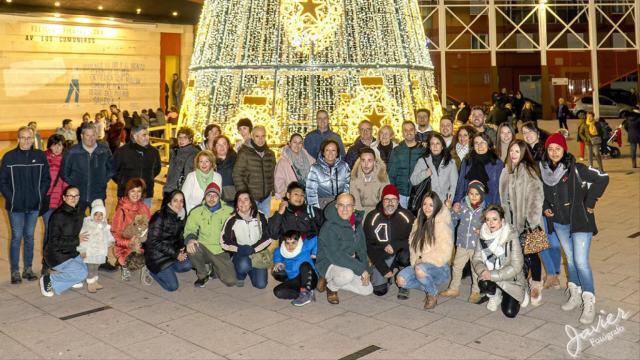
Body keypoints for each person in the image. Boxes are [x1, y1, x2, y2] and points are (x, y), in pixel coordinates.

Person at [540, 133, 609, 324]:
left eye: (558, 148)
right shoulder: (545, 172)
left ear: (564, 150)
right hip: (560, 223)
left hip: (580, 222)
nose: (554, 152)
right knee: (570, 259)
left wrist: (591, 200)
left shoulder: (576, 169)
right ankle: (575, 294)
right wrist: (546, 207)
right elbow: (546, 195)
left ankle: (589, 300)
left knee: (580, 261)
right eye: (551, 149)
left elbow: (603, 177)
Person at [0, 126, 51, 284]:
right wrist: (12, 197)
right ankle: (15, 271)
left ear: (33, 138)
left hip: (34, 205)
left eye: (29, 137)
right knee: (16, 237)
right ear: (18, 139)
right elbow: (2, 182)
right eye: (23, 137)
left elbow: (46, 179)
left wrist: (39, 195)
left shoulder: (40, 156)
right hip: (15, 207)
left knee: (29, 237)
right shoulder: (9, 157)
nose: (26, 140)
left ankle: (28, 269)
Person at [499, 140, 545, 306]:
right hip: (511, 222)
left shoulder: (529, 171)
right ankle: (519, 283)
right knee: (515, 255)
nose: (513, 154)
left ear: (524, 153)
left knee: (533, 255)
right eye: (512, 151)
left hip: (528, 223)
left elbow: (537, 198)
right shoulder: (506, 171)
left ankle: (536, 284)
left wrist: (531, 222)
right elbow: (503, 199)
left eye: (517, 151)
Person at [396, 191, 453, 309]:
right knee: (401, 280)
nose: (427, 208)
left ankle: (432, 293)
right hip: (419, 265)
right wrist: (416, 261)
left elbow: (445, 253)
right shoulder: (419, 221)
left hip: (439, 267)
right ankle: (428, 285)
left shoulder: (441, 224)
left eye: (431, 205)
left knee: (420, 270)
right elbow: (413, 247)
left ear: (436, 206)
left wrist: (423, 259)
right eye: (425, 204)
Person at [471, 205, 529, 318]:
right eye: (487, 219)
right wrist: (483, 271)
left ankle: (522, 290)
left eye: (494, 219)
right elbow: (476, 259)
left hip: (511, 279)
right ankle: (495, 295)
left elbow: (516, 266)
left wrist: (491, 275)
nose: (491, 223)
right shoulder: (483, 236)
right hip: (492, 277)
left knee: (509, 312)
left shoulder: (511, 236)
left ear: (502, 221)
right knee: (483, 282)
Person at [316, 193, 372, 304]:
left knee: (367, 290)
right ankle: (332, 287)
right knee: (347, 275)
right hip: (329, 263)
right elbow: (336, 256)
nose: (345, 209)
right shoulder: (329, 226)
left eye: (349, 205)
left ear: (354, 207)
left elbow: (362, 248)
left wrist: (366, 270)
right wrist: (360, 269)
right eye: (341, 205)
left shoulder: (356, 223)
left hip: (349, 262)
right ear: (336, 206)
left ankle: (331, 281)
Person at [363, 185, 414, 298]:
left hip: (402, 253)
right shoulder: (372, 217)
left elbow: (415, 239)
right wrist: (383, 268)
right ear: (382, 200)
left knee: (406, 256)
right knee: (379, 291)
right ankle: (388, 274)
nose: (390, 203)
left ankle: (404, 284)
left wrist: (397, 245)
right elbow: (369, 246)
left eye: (393, 199)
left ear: (398, 200)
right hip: (382, 256)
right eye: (387, 199)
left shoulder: (407, 216)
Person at [441, 181, 486, 303]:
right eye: (471, 193)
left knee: (475, 269)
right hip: (462, 243)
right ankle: (454, 288)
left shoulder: (484, 211)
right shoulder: (462, 206)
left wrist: (482, 230)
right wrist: (452, 209)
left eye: (477, 194)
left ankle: (476, 291)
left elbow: (488, 227)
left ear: (482, 195)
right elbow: (453, 220)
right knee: (457, 266)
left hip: (475, 246)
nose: (474, 196)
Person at [39, 186, 88, 297]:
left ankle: (72, 279)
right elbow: (55, 241)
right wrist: (77, 240)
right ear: (64, 198)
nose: (73, 198)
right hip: (56, 254)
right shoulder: (58, 216)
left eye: (76, 196)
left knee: (86, 269)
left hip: (72, 251)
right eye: (70, 196)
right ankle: (49, 279)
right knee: (81, 273)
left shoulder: (79, 212)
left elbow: (88, 227)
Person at [184, 183, 237, 287]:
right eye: (209, 195)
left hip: (221, 251)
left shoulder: (229, 211)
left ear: (219, 197)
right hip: (203, 249)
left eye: (215, 196)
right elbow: (189, 229)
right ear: (205, 196)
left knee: (231, 281)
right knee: (192, 247)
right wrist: (190, 239)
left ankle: (214, 268)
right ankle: (202, 275)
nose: (212, 198)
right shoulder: (196, 211)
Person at [220, 191, 273, 288]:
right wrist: (239, 249)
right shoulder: (232, 220)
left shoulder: (260, 216)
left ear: (251, 203)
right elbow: (223, 241)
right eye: (239, 200)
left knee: (261, 285)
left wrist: (254, 249)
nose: (242, 203)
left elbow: (268, 237)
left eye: (246, 199)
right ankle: (240, 275)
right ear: (236, 204)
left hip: (257, 253)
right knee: (243, 265)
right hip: (240, 254)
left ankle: (251, 269)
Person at [143, 190, 193, 292]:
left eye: (181, 201)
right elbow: (154, 242)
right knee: (172, 287)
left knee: (188, 265)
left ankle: (167, 270)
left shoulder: (181, 216)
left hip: (170, 255)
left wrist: (181, 249)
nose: (178, 204)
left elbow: (179, 237)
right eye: (175, 201)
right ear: (169, 201)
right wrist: (176, 254)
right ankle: (150, 270)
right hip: (156, 257)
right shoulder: (159, 216)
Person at [61, 123, 113, 213]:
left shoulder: (104, 150)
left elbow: (111, 169)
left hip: (98, 195)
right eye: (87, 135)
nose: (91, 138)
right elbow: (64, 172)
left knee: (99, 225)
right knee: (77, 225)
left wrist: (103, 180)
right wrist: (74, 183)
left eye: (93, 135)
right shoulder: (72, 152)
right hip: (78, 197)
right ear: (82, 136)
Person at [111, 178, 152, 281]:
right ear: (127, 192)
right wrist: (129, 243)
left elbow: (149, 228)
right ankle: (125, 266)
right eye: (132, 191)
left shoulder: (144, 207)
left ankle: (146, 268)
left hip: (141, 243)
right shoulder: (122, 210)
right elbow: (115, 234)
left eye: (139, 191)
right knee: (131, 257)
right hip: (125, 245)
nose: (136, 194)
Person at [113, 125, 161, 209]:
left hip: (146, 194)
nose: (147, 137)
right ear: (135, 136)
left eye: (148, 134)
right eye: (144, 135)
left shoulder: (154, 152)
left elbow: (157, 169)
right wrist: (123, 182)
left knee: (143, 220)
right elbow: (113, 170)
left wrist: (147, 179)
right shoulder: (122, 152)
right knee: (126, 220)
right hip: (126, 194)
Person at [41, 135, 69, 276]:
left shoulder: (67, 160)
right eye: (54, 145)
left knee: (61, 234)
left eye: (60, 145)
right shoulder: (44, 159)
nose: (57, 148)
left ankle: (58, 261)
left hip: (62, 203)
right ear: (49, 146)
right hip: (48, 202)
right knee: (49, 233)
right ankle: (46, 263)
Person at [232, 126, 276, 216]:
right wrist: (244, 194)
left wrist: (272, 189)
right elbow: (237, 174)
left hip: (266, 198)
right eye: (257, 136)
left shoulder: (270, 154)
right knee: (250, 224)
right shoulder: (244, 152)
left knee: (264, 225)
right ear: (252, 137)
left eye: (263, 136)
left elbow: (273, 173)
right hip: (251, 197)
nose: (260, 139)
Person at [454, 132, 504, 206]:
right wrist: (457, 201)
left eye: (483, 142)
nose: (479, 146)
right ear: (473, 146)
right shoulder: (467, 161)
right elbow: (461, 183)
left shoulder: (497, 163)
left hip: (490, 204)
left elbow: (499, 188)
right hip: (469, 203)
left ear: (488, 145)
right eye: (476, 143)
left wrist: (496, 207)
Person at [272, 230, 319, 306]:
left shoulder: (304, 246)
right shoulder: (282, 250)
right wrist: (278, 263)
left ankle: (306, 292)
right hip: (295, 279)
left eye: (293, 243)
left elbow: (316, 238)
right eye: (287, 243)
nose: (290, 246)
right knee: (277, 291)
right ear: (284, 243)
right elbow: (277, 252)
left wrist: (314, 253)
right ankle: (305, 294)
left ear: (299, 241)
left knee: (305, 265)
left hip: (310, 277)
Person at [77, 199, 114, 293]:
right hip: (90, 252)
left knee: (96, 267)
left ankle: (95, 281)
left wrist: (111, 241)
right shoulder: (87, 225)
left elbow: (108, 235)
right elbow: (83, 239)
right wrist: (82, 250)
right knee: (91, 268)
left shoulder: (104, 226)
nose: (98, 217)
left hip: (100, 252)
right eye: (96, 214)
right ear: (92, 214)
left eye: (101, 214)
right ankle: (90, 283)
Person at [410, 133, 458, 203]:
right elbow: (413, 180)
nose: (435, 146)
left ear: (442, 146)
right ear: (429, 147)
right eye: (432, 144)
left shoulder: (451, 163)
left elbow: (454, 186)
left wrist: (449, 201)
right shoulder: (422, 161)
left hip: (444, 203)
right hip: (427, 204)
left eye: (438, 143)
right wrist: (425, 174)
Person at [388, 121, 425, 208]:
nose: (408, 132)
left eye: (411, 130)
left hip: (417, 194)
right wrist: (393, 193)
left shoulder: (422, 151)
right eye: (405, 130)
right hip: (400, 194)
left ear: (415, 131)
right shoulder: (396, 151)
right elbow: (391, 174)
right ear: (402, 133)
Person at [306, 139, 350, 209]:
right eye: (327, 150)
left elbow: (348, 186)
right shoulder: (315, 168)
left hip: (341, 204)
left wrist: (345, 203)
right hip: (322, 205)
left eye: (333, 150)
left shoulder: (344, 166)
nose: (330, 153)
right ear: (323, 152)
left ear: (337, 153)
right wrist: (315, 209)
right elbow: (311, 191)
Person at [163, 127, 200, 204]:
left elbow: (189, 175)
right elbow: (170, 172)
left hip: (181, 192)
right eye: (180, 137)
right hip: (169, 189)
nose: (181, 140)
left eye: (185, 138)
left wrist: (183, 193)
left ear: (190, 139)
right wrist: (166, 188)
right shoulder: (175, 151)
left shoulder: (194, 154)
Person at [274, 133, 315, 200]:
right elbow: (279, 182)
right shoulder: (283, 161)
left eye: (300, 143)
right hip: (292, 198)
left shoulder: (310, 159)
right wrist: (286, 197)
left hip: (307, 197)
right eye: (294, 142)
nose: (297, 145)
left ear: (302, 145)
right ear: (289, 143)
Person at [350, 147, 389, 215]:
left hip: (378, 212)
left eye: (369, 160)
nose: (366, 164)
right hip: (360, 212)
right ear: (360, 162)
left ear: (374, 162)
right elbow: (356, 202)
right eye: (363, 160)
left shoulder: (382, 175)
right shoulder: (354, 175)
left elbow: (384, 200)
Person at [213, 135, 237, 204]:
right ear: (215, 147)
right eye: (218, 144)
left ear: (228, 146)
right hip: (215, 196)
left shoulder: (236, 160)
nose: (221, 147)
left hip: (231, 197)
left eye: (224, 144)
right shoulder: (210, 161)